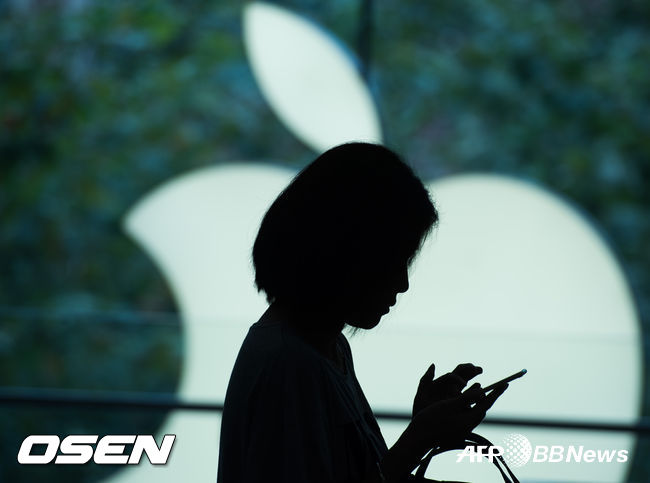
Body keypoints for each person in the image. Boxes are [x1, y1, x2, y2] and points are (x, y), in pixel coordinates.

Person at [216, 143, 508, 482]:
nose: (402, 284)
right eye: (392, 262)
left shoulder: (325, 348)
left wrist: (423, 430)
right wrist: (418, 439)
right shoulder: (290, 365)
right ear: (346, 254)